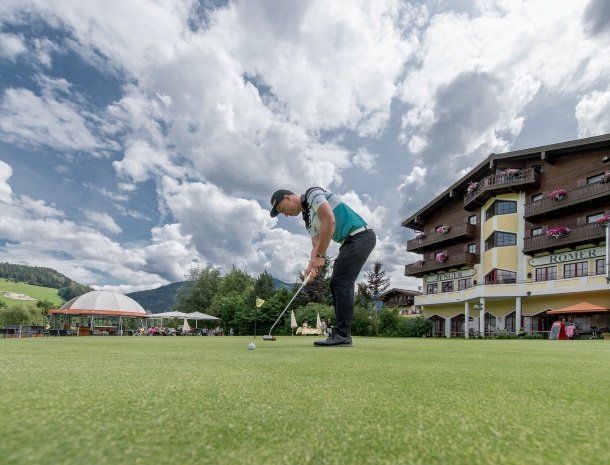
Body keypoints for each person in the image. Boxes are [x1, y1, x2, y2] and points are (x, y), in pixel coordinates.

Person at [270, 186, 376, 347]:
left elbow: (329, 220)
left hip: (361, 236)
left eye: (282, 209)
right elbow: (316, 245)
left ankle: (343, 336)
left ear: (288, 197)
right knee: (336, 283)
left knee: (340, 282)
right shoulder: (307, 219)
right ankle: (341, 334)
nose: (285, 214)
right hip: (349, 242)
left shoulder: (313, 194)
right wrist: (311, 265)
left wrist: (319, 256)